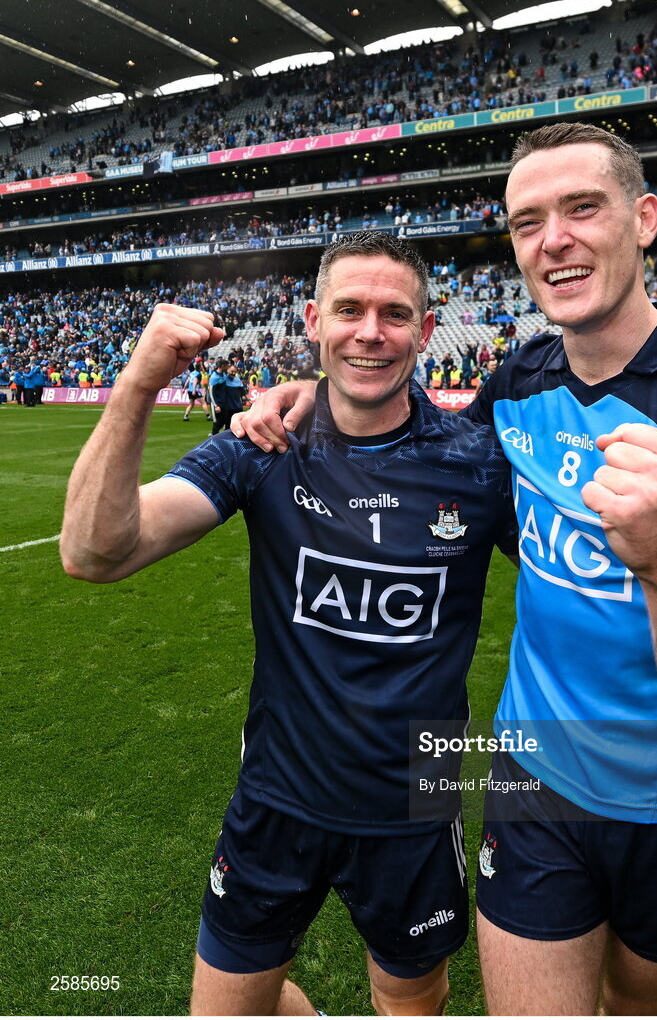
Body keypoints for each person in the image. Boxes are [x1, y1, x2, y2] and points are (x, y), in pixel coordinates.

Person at [232, 122, 657, 1016]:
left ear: (645, 218)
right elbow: (419, 427)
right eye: (527, 220)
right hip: (531, 774)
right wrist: (319, 392)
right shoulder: (521, 381)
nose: (555, 240)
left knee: (638, 1005)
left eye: (583, 208)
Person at [60, 231, 517, 1016]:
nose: (370, 331)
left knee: (411, 1002)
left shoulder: (480, 464)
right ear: (312, 320)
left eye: (394, 314)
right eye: (348, 309)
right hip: (276, 800)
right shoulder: (261, 445)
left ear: (428, 329)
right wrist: (137, 381)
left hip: (412, 808)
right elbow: (95, 552)